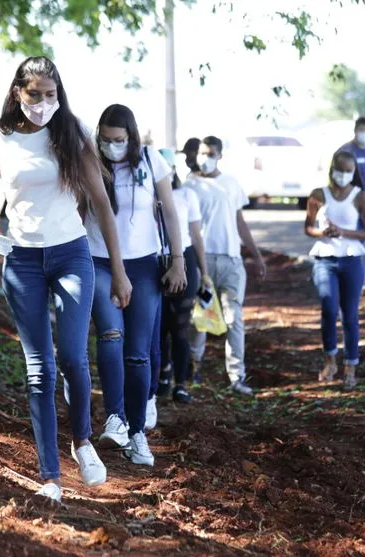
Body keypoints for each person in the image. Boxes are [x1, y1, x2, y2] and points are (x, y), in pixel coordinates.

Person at [0, 57, 132, 503]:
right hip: (22, 260)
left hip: (71, 254)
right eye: (34, 94)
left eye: (50, 95)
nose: (43, 103)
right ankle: (51, 476)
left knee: (74, 358)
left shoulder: (71, 132)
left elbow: (101, 204)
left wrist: (119, 272)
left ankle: (82, 441)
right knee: (39, 368)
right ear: (17, 93)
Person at [87, 104, 187, 466]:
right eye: (105, 139)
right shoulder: (90, 161)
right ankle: (114, 417)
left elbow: (170, 211)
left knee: (139, 351)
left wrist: (178, 260)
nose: (111, 145)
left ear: (131, 137)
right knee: (110, 335)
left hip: (144, 263)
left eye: (118, 139)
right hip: (98, 260)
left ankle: (137, 432)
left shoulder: (149, 160)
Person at [187, 136, 266, 394]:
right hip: (203, 261)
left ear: (220, 155)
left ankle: (237, 377)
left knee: (234, 319)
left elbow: (240, 222)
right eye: (202, 153)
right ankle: (193, 370)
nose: (205, 158)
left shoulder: (231, 183)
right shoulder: (190, 185)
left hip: (232, 261)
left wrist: (256, 254)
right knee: (199, 319)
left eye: (210, 153)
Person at [305, 150, 365, 389]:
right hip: (325, 259)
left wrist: (344, 232)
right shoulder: (318, 194)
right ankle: (330, 361)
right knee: (328, 308)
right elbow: (308, 227)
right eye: (340, 169)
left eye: (349, 171)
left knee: (350, 315)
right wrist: (323, 232)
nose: (343, 175)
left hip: (351, 259)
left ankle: (350, 367)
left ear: (354, 172)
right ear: (332, 169)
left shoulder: (360, 196)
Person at [154, 148, 207, 404]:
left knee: (180, 325)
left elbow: (196, 235)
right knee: (160, 325)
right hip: (154, 259)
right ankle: (163, 374)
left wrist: (204, 272)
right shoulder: (146, 195)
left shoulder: (186, 195)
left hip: (183, 258)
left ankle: (181, 383)